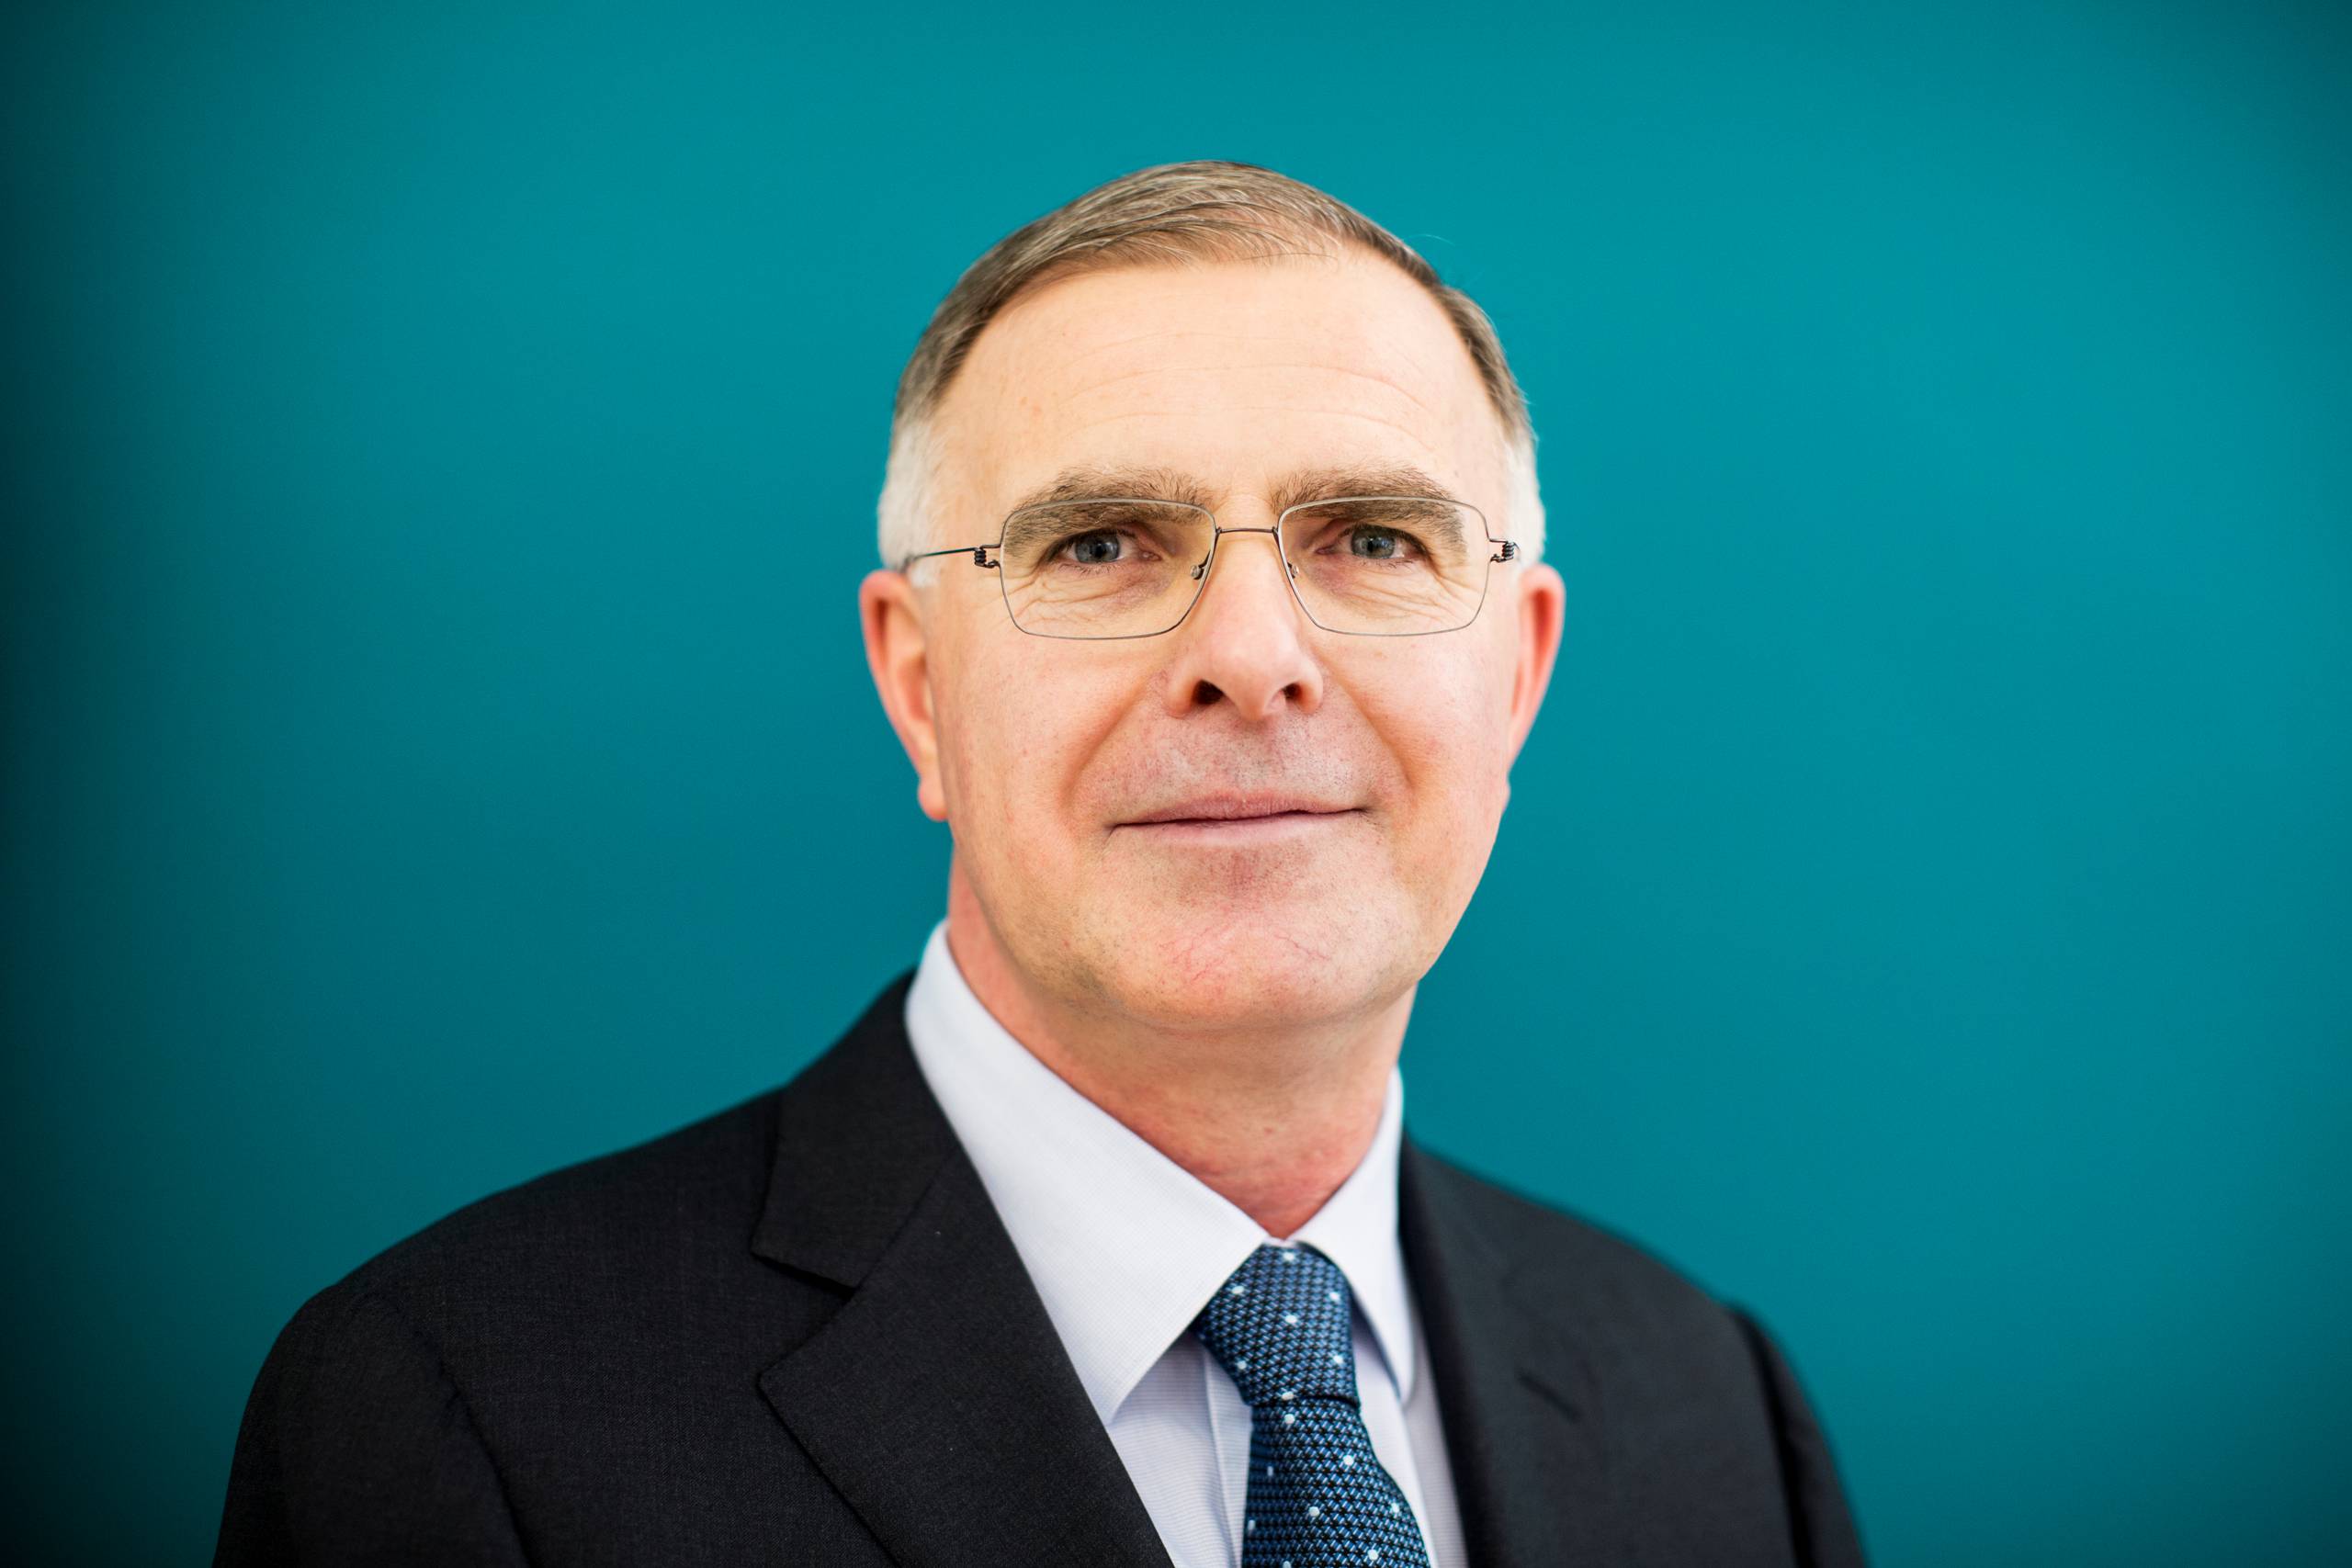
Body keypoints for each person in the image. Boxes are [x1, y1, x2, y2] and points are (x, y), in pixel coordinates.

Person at [216, 160, 1867, 1567]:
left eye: (1372, 538)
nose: (1252, 660)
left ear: (1516, 678)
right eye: (1101, 544)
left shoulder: (1714, 1413)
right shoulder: (459, 1416)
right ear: (920, 687)